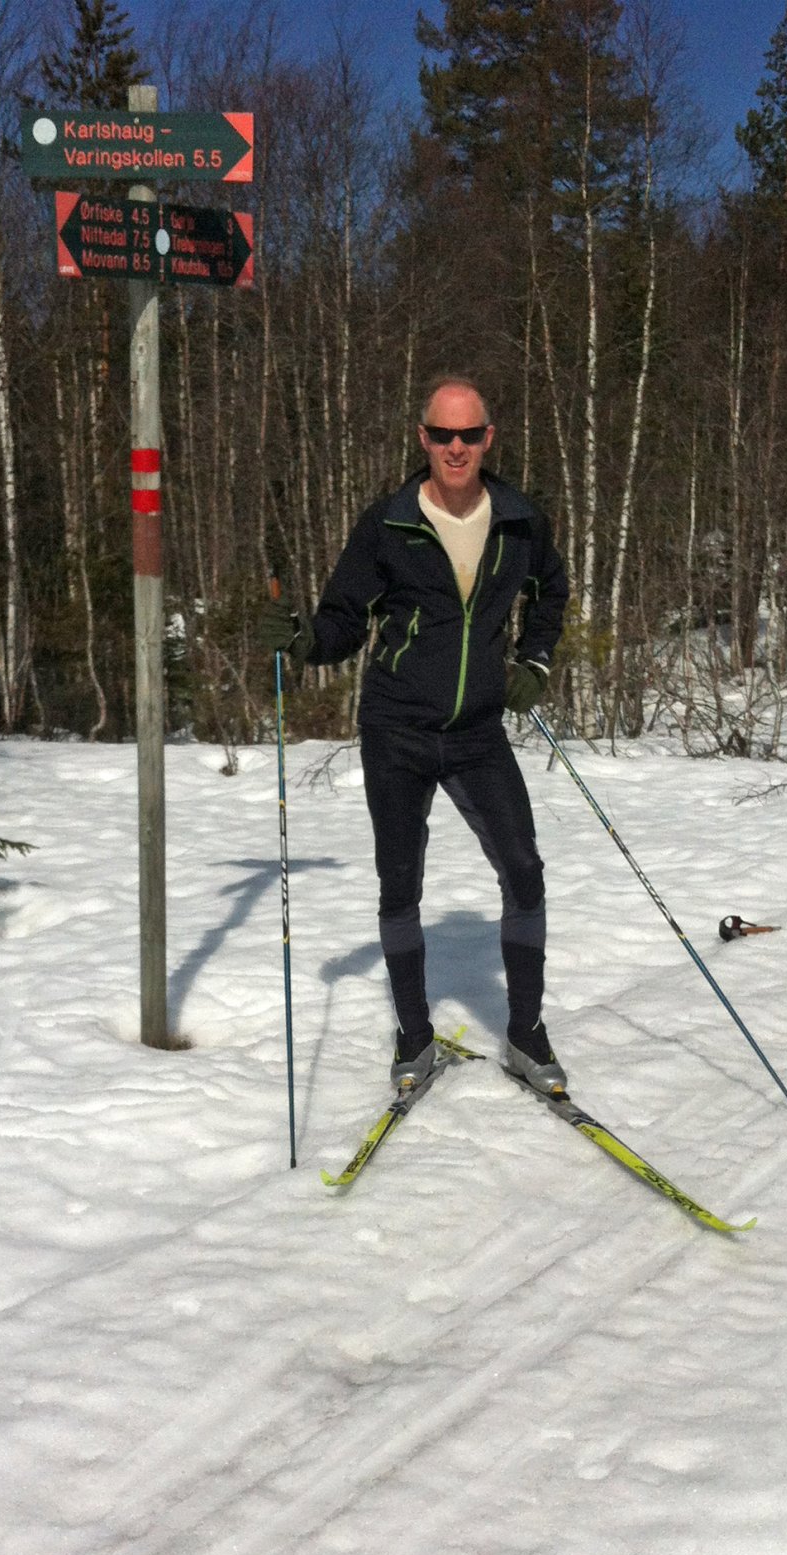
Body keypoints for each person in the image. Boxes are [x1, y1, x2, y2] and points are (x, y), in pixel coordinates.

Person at [257, 375, 571, 1095]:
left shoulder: (521, 520)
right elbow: (343, 617)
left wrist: (536, 658)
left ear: (488, 438)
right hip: (395, 729)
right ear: (422, 438)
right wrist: (305, 638)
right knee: (400, 882)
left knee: (524, 871)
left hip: (477, 731)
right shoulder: (389, 521)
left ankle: (525, 1033)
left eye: (468, 435)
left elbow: (551, 591)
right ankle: (414, 1034)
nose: (454, 447)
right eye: (441, 435)